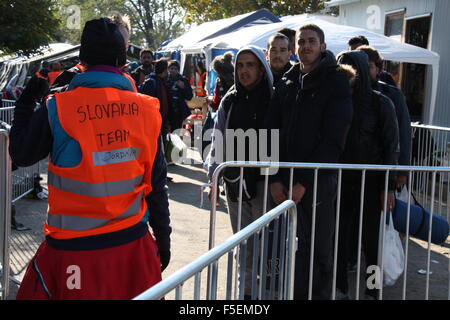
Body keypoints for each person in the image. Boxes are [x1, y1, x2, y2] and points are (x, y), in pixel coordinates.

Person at [9, 17, 171, 300]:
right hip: (132, 245)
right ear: (123, 59)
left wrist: (25, 102)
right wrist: (164, 237)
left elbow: (21, 154)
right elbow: (156, 182)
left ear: (81, 59)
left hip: (73, 254)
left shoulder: (57, 107)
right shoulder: (146, 109)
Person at [266, 23, 353, 300]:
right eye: (301, 42)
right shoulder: (288, 80)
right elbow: (273, 131)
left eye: (311, 41)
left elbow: (333, 139)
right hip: (285, 177)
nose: (305, 46)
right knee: (284, 245)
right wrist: (275, 176)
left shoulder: (336, 82)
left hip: (318, 180)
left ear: (322, 46)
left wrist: (304, 180)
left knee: (318, 249)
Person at [206, 45, 273, 299]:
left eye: (250, 65)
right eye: (240, 65)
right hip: (235, 181)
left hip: (268, 182)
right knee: (243, 242)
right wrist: (213, 178)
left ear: (261, 68)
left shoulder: (274, 97)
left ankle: (268, 292)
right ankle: (245, 293)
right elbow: (217, 141)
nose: (244, 71)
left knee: (269, 243)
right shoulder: (230, 100)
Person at [336, 50, 400, 300]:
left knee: (372, 244)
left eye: (352, 68)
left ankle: (372, 289)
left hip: (372, 183)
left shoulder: (381, 103)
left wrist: (389, 186)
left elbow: (391, 147)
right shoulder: (336, 101)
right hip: (340, 181)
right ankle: (341, 287)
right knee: (339, 239)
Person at [140, 58, 172, 140]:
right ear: (164, 70)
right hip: (154, 123)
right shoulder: (151, 82)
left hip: (162, 122)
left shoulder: (162, 82)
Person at [167, 59, 193, 130]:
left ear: (178, 70)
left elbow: (189, 97)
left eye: (175, 69)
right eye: (171, 68)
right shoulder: (165, 80)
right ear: (168, 69)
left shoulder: (183, 80)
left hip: (181, 112)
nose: (173, 70)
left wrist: (183, 87)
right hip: (169, 112)